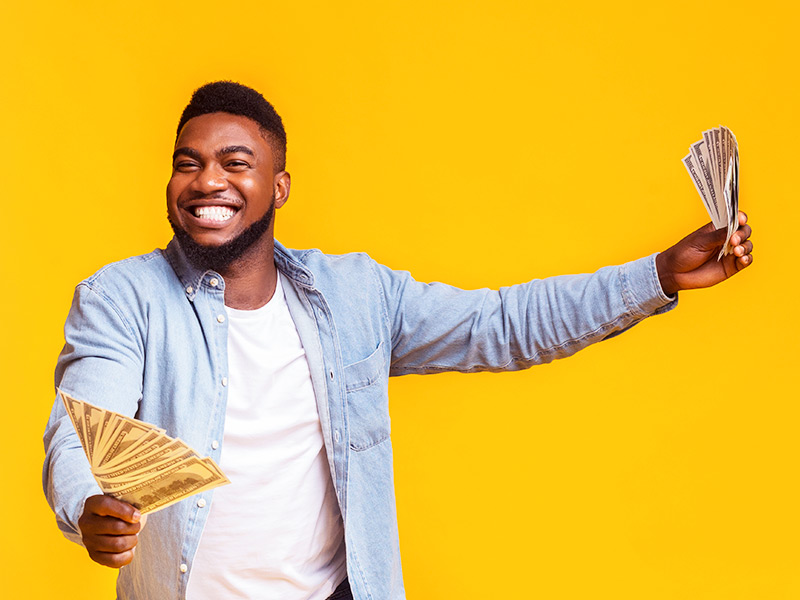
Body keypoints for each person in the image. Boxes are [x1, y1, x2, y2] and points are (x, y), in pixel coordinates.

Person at [43, 81, 754, 600]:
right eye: (188, 162)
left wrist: (657, 274)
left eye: (235, 163)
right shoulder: (122, 297)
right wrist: (86, 507)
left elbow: (501, 324)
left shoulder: (354, 296)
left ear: (279, 186)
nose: (207, 183)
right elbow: (79, 436)